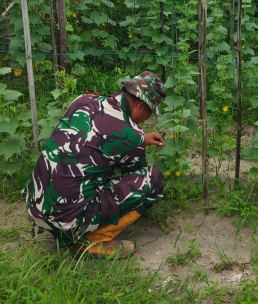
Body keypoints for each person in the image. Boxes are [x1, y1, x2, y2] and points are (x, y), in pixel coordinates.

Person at [23, 71, 167, 257]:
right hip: (65, 221)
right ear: (140, 105)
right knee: (152, 180)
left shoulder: (83, 100)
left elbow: (99, 132)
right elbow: (135, 172)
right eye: (149, 114)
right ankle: (91, 241)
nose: (147, 120)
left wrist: (140, 139)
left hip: (37, 205)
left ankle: (67, 221)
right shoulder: (129, 134)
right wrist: (138, 140)